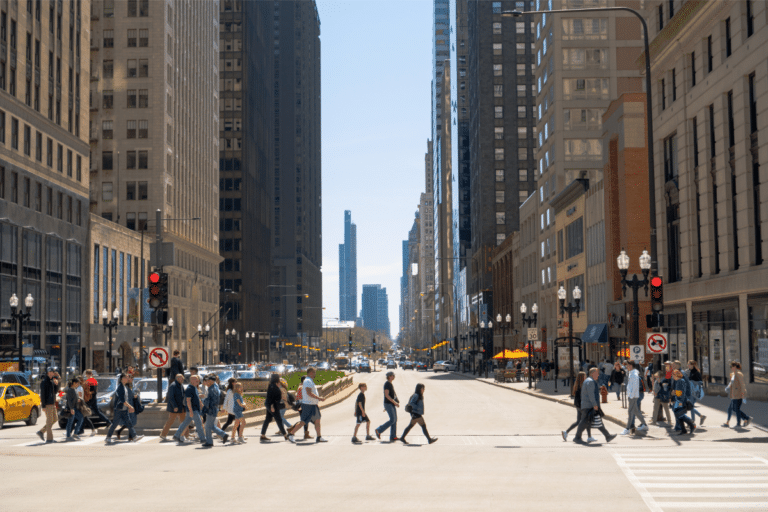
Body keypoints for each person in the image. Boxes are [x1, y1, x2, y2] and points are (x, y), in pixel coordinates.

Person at [572, 367, 616, 444]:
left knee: (598, 421)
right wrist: (595, 404)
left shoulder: (588, 381)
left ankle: (607, 436)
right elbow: (591, 394)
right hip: (589, 406)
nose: (598, 375)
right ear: (593, 373)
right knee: (584, 422)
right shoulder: (590, 382)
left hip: (588, 405)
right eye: (597, 373)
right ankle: (577, 437)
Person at [288, 367, 327, 443]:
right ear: (311, 373)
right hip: (308, 405)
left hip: (313, 405)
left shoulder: (310, 381)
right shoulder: (308, 381)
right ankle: (291, 434)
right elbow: (309, 393)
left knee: (317, 420)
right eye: (314, 372)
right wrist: (319, 398)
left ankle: (319, 437)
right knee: (303, 422)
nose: (315, 374)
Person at [105, 374, 142, 443]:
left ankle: (134, 436)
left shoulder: (124, 386)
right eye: (125, 377)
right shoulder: (120, 387)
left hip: (124, 409)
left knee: (129, 423)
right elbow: (122, 400)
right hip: (119, 409)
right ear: (122, 379)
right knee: (115, 424)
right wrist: (130, 406)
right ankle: (108, 437)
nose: (127, 378)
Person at [562, 372, 594, 443]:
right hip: (583, 406)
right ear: (583, 377)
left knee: (579, 421)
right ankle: (587, 437)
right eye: (585, 376)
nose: (586, 377)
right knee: (586, 421)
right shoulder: (583, 385)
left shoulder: (576, 385)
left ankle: (566, 432)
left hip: (578, 405)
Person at [173, 375, 205, 444]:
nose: (198, 381)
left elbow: (195, 398)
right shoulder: (189, 388)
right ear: (192, 380)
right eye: (196, 380)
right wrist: (190, 411)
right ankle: (203, 439)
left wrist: (200, 401)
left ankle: (176, 435)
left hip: (193, 410)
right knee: (199, 424)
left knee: (185, 423)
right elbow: (188, 401)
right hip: (193, 410)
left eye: (198, 380)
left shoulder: (194, 388)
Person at [621, 361, 648, 435]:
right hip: (632, 396)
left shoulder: (634, 374)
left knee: (630, 412)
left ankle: (627, 428)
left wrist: (631, 396)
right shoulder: (632, 373)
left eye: (627, 365)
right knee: (636, 411)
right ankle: (644, 425)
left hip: (633, 396)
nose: (626, 367)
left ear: (630, 365)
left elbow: (635, 387)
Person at [261, 373, 290, 442]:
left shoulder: (271, 385)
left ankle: (262, 435)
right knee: (279, 419)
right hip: (273, 405)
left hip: (269, 404)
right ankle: (285, 435)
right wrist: (272, 406)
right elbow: (273, 398)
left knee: (268, 419)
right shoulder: (274, 387)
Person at [202, 375, 228, 447]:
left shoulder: (212, 389)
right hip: (213, 409)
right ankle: (224, 435)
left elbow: (213, 400)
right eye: (206, 381)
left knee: (207, 426)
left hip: (211, 409)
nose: (206, 382)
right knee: (211, 426)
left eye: (208, 381)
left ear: (212, 381)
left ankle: (209, 442)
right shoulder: (213, 387)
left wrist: (205, 402)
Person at [723, 361, 750, 428]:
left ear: (735, 367)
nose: (731, 368)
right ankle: (745, 419)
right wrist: (728, 387)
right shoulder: (733, 374)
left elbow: (742, 384)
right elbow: (731, 383)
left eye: (732, 366)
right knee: (733, 409)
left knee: (736, 409)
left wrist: (743, 394)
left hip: (738, 394)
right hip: (733, 394)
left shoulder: (739, 374)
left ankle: (741, 421)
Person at [160, 374, 187, 441]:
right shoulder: (173, 385)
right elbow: (171, 397)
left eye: (183, 378)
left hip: (181, 406)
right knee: (170, 421)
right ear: (177, 378)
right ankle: (163, 434)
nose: (182, 379)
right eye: (181, 378)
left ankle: (185, 435)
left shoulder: (180, 385)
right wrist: (175, 406)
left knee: (184, 422)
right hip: (175, 407)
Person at [115, 375, 143, 440]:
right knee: (130, 421)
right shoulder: (124, 386)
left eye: (132, 378)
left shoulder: (131, 385)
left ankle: (122, 433)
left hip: (131, 404)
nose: (132, 379)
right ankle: (130, 436)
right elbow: (125, 396)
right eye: (131, 378)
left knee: (130, 421)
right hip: (128, 405)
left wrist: (135, 395)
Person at [374, 371, 400, 442]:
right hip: (389, 404)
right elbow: (386, 395)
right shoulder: (387, 384)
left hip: (390, 404)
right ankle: (378, 430)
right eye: (393, 375)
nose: (394, 376)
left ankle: (393, 436)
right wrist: (394, 402)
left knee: (394, 419)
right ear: (389, 376)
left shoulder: (390, 384)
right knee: (392, 420)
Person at [36, 367, 59, 443]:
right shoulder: (44, 382)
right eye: (52, 372)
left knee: (55, 419)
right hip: (48, 404)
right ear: (49, 372)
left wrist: (56, 384)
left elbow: (55, 392)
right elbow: (42, 395)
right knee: (49, 421)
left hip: (52, 403)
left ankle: (41, 431)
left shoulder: (52, 381)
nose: (54, 373)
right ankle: (49, 439)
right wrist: (43, 406)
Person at [671, 369, 696, 435]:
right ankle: (683, 429)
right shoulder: (679, 381)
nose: (673, 377)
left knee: (680, 414)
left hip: (680, 400)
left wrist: (674, 393)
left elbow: (681, 392)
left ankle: (692, 424)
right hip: (679, 400)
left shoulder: (680, 381)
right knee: (678, 415)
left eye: (673, 375)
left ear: (676, 375)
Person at [686, 360, 706, 425]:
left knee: (690, 406)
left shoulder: (697, 373)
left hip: (694, 392)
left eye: (689, 364)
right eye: (688, 364)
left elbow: (701, 383)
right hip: (690, 392)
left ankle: (692, 422)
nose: (688, 365)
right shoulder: (690, 372)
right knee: (689, 406)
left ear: (693, 365)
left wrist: (692, 382)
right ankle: (701, 416)